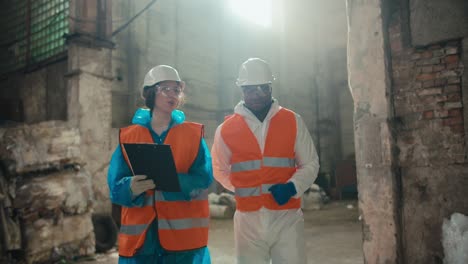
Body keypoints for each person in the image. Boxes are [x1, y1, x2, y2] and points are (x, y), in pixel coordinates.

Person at [211, 58, 320, 264]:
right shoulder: (226, 129)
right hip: (247, 220)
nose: (257, 94)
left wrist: (292, 187)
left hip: (286, 216)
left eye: (263, 88)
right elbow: (218, 168)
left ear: (271, 87)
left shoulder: (292, 121)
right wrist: (241, 187)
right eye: (251, 89)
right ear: (242, 90)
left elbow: (311, 163)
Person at [108, 65, 213, 264]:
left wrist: (175, 181)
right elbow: (115, 184)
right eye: (166, 89)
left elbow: (204, 178)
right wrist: (130, 187)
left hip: (182, 244)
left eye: (177, 90)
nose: (172, 94)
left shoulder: (192, 135)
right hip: (143, 241)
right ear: (150, 92)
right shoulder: (129, 136)